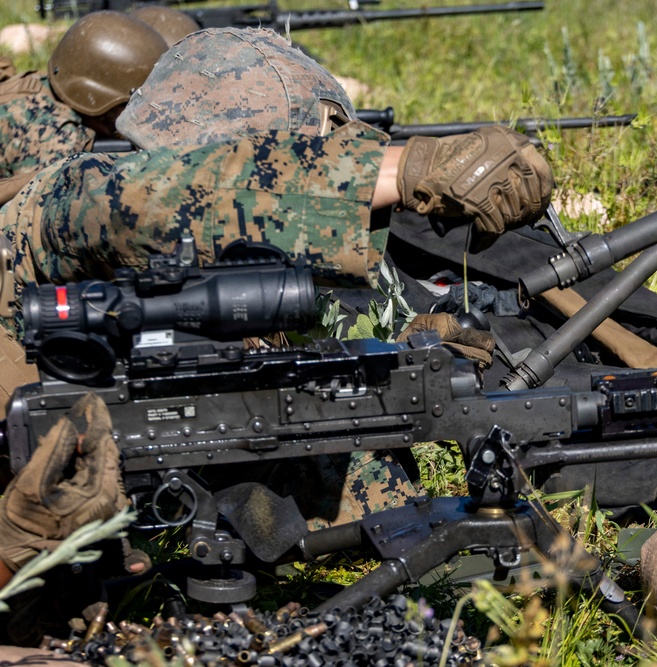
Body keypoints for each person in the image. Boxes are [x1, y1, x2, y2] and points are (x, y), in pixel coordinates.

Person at [0, 26, 553, 597]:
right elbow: (154, 203)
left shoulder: (226, 283)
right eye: (297, 168)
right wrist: (403, 169)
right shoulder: (73, 202)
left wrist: (401, 360)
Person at [0, 11, 168, 204]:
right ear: (99, 100)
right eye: (133, 104)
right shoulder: (54, 135)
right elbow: (46, 213)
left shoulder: (45, 85)